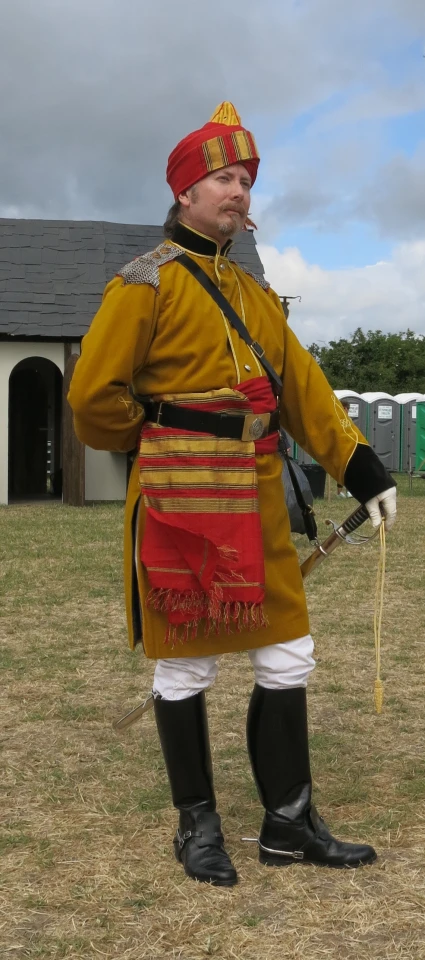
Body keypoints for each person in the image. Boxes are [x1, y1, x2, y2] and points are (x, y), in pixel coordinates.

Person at [68, 102, 397, 888]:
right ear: (184, 190)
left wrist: (362, 471)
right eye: (223, 178)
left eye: (246, 180)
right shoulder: (142, 283)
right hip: (180, 500)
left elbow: (307, 395)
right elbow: (91, 399)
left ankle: (288, 822)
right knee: (185, 671)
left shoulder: (256, 298)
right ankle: (198, 828)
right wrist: (160, 429)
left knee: (287, 655)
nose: (239, 192)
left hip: (256, 501)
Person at [336, 400, 353, 498]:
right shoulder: (338, 418)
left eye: (345, 408)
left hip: (348, 446)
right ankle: (339, 493)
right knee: (341, 471)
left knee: (349, 470)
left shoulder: (349, 419)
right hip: (340, 447)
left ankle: (348, 491)